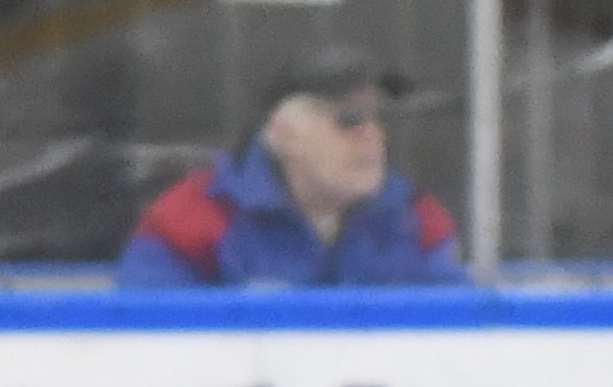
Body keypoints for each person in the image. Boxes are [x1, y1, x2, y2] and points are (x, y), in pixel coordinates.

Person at [118, 47, 463, 286]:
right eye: (350, 118)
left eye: (379, 118)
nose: (371, 134)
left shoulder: (416, 217)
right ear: (285, 135)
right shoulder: (191, 219)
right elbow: (144, 353)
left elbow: (458, 347)